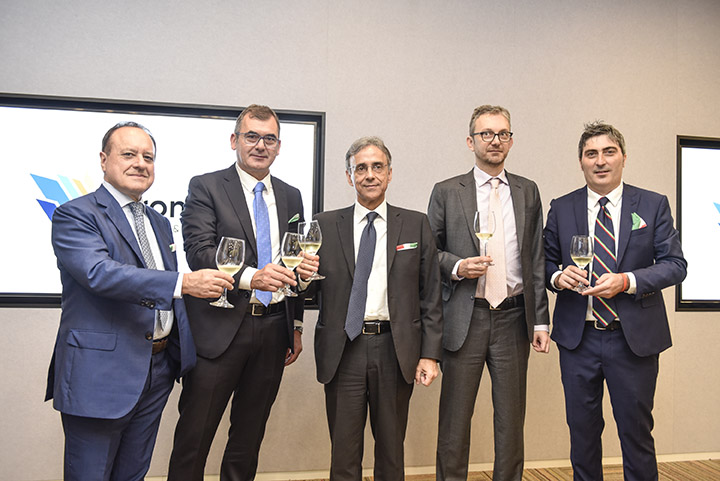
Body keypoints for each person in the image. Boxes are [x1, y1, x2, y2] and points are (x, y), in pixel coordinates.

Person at [45, 121, 234, 480]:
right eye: (129, 154)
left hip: (158, 369)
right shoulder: (76, 214)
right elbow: (99, 273)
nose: (140, 163)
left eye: (148, 157)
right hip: (101, 374)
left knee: (133, 474)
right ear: (104, 160)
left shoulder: (159, 222)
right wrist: (184, 282)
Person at [168, 104, 307, 481]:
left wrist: (295, 325)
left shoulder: (292, 195)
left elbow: (292, 259)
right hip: (219, 329)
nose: (261, 145)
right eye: (252, 136)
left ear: (279, 146)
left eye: (269, 139)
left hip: (274, 329)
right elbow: (199, 251)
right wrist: (250, 278)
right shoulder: (207, 186)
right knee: (194, 438)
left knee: (248, 439)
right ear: (234, 140)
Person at [543, 121, 687, 481]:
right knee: (582, 436)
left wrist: (627, 281)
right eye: (591, 154)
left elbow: (675, 265)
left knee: (636, 435)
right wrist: (558, 277)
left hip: (633, 339)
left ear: (623, 157)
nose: (600, 161)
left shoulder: (652, 205)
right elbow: (543, 262)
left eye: (609, 152)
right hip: (578, 340)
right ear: (580, 161)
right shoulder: (562, 207)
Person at [307, 136, 443, 480]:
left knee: (392, 453)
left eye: (377, 167)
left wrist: (430, 354)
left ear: (390, 173)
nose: (370, 174)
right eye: (361, 168)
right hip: (343, 350)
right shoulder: (324, 224)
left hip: (395, 350)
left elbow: (431, 295)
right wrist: (300, 276)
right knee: (343, 455)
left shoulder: (415, 224)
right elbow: (307, 287)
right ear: (349, 176)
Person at [427, 105, 550, 481]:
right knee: (454, 422)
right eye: (486, 134)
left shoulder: (527, 191)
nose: (495, 140)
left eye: (503, 134)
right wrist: (457, 267)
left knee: (511, 423)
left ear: (511, 141)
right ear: (471, 141)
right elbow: (428, 252)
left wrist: (540, 320)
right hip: (466, 316)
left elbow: (536, 258)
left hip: (514, 318)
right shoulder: (447, 191)